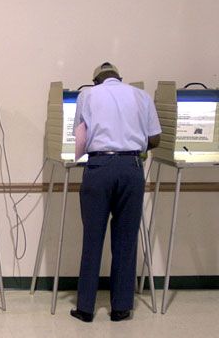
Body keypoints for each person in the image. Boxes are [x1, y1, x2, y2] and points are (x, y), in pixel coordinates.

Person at [70, 62, 161, 322]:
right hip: (131, 167)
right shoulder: (140, 95)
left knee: (93, 237)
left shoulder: (87, 94)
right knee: (125, 240)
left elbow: (80, 135)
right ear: (120, 78)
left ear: (96, 80)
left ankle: (85, 308)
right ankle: (121, 308)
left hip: (99, 167)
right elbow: (155, 138)